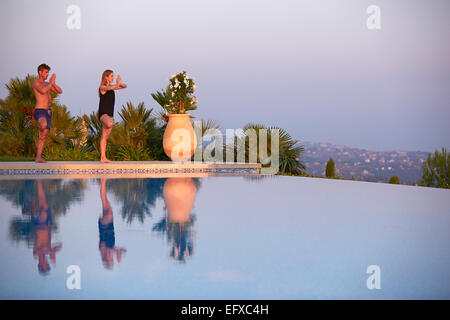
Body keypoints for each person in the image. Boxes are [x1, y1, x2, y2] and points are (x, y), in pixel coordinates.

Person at [32, 63, 63, 163]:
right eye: (46, 72)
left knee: (43, 135)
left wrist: (53, 83)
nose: (47, 74)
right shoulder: (36, 83)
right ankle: (40, 126)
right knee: (43, 125)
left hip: (48, 112)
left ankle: (38, 157)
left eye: (48, 73)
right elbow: (42, 91)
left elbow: (60, 91)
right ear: (40, 72)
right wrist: (50, 83)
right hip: (39, 110)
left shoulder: (48, 84)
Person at [98, 70, 127, 163]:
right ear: (106, 77)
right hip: (103, 114)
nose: (112, 78)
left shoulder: (112, 87)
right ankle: (103, 157)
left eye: (113, 76)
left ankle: (103, 158)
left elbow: (124, 86)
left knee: (105, 136)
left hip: (110, 114)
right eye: (111, 76)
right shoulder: (102, 87)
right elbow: (110, 88)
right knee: (110, 124)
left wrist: (120, 83)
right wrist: (117, 84)